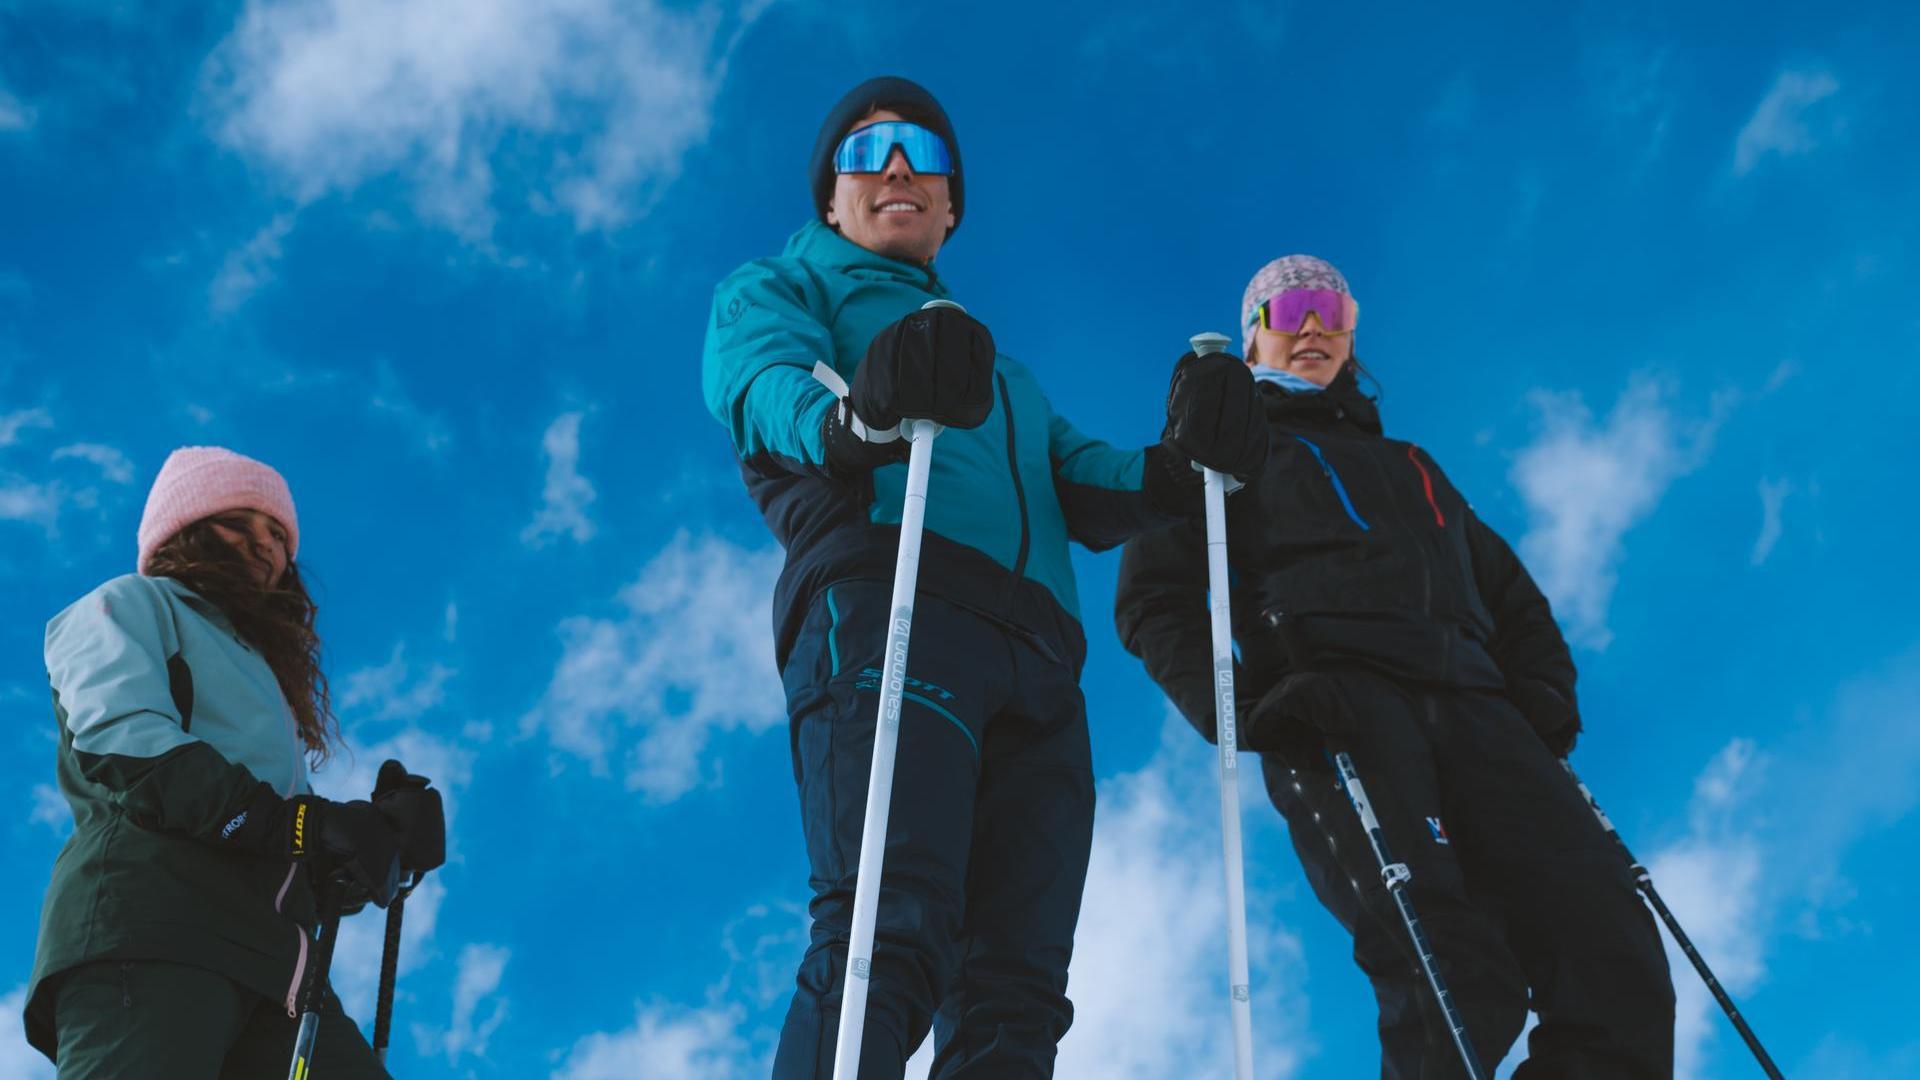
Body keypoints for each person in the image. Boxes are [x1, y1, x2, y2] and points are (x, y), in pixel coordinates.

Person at [701, 76, 1265, 1077]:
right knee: (889, 928)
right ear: (831, 199)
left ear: (953, 206)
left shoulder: (996, 369)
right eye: (868, 153)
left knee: (1016, 994)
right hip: (895, 599)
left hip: (1043, 662)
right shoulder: (782, 289)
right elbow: (766, 386)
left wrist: (1182, 465)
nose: (901, 169)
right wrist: (858, 418)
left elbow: (1083, 478)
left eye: (925, 152)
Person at [1115, 257, 1676, 1078]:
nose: (1313, 325)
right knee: (1452, 971)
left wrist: (1544, 691)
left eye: (1332, 308)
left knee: (1612, 953)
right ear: (1252, 338)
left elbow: (1510, 593)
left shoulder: (1413, 464)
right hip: (1342, 706)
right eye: (1290, 308)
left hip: (1482, 711)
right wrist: (1246, 704)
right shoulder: (1221, 451)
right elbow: (1152, 597)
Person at [22, 446, 447, 1080]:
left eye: (277, 534)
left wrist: (372, 845)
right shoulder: (132, 605)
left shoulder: (265, 682)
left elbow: (283, 837)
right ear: (184, 529)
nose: (264, 546)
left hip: (280, 971)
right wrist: (302, 826)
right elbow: (124, 740)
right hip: (152, 932)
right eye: (237, 523)